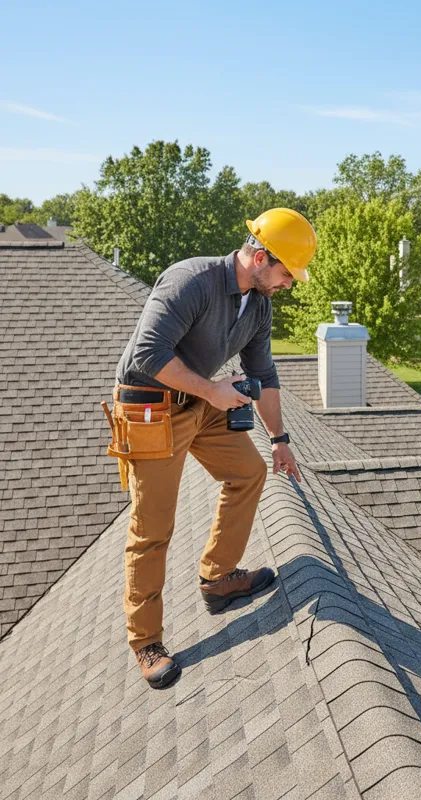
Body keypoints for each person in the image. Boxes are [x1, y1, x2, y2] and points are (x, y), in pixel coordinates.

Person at [111, 208, 315, 688]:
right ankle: (146, 642)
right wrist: (212, 391)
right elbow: (148, 354)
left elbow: (264, 377)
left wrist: (280, 440)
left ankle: (218, 578)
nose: (290, 283)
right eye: (287, 273)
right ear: (261, 257)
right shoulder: (191, 280)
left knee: (249, 472)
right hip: (150, 408)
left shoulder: (259, 304)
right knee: (152, 526)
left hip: (202, 402)